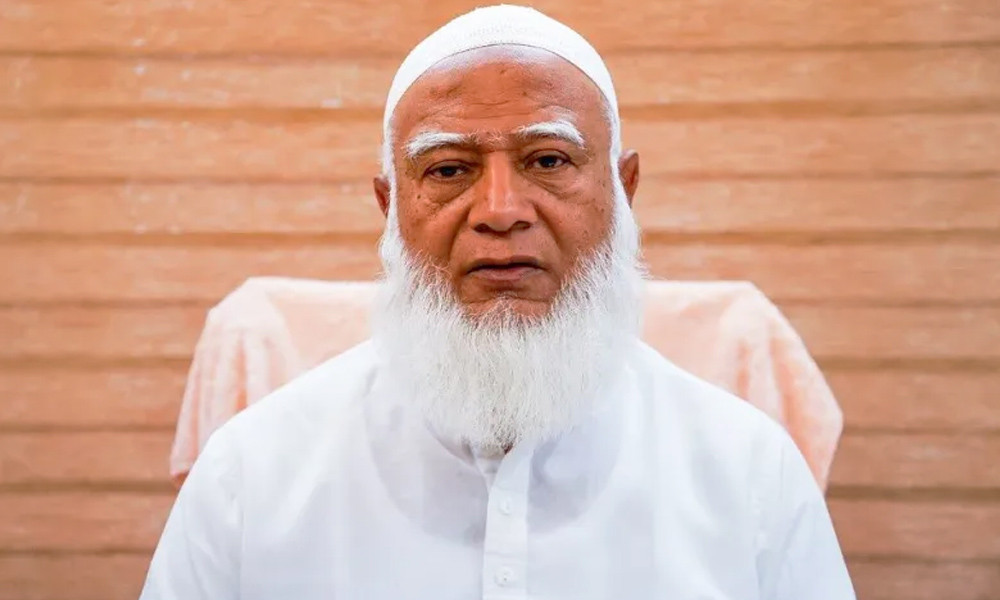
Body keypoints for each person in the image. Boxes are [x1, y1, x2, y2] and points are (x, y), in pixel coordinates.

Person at [140, 5, 855, 599]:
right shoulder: (252, 474)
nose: (501, 211)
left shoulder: (749, 471)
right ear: (389, 208)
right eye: (449, 169)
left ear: (624, 190)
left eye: (548, 161)